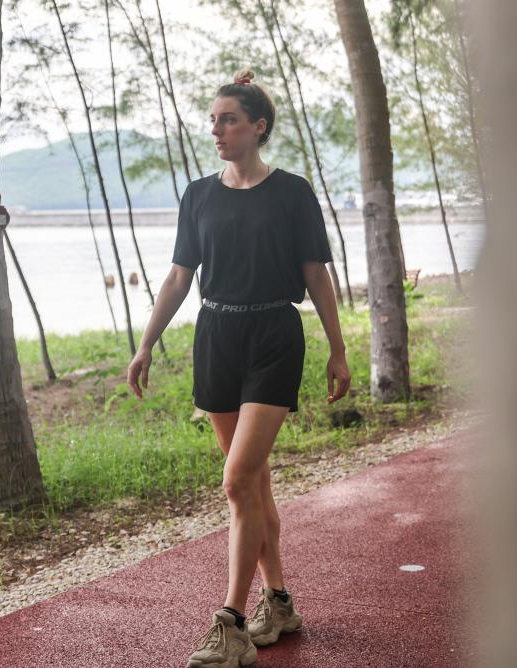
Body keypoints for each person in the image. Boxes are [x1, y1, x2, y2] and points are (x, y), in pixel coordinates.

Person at [126, 68, 351, 668]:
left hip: (275, 334)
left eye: (229, 120)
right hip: (217, 335)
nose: (217, 131)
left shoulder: (293, 192)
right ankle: (278, 602)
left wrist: (338, 347)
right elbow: (179, 277)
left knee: (235, 481)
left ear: (259, 127)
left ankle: (230, 622)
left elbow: (316, 275)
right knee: (251, 483)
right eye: (213, 121)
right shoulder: (198, 194)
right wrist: (147, 343)